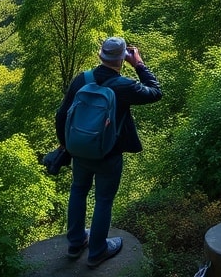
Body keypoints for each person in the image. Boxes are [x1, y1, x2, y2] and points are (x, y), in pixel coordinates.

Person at [55, 36, 163, 267]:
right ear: (123, 59)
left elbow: (61, 114)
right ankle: (98, 251)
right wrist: (140, 65)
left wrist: (66, 145)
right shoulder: (124, 85)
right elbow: (155, 92)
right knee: (103, 199)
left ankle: (75, 244)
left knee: (78, 191)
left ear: (100, 55)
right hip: (109, 153)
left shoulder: (82, 79)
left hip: (79, 151)